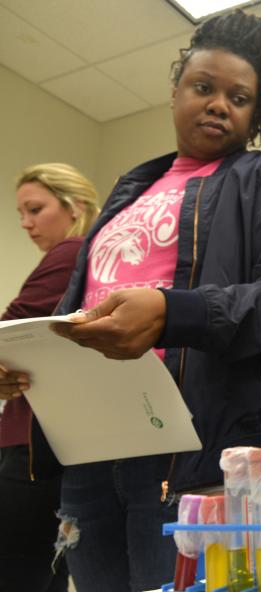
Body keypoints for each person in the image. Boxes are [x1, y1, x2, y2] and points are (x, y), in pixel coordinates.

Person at [2, 11, 261, 592]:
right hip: (91, 451)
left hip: (198, 457)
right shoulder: (130, 189)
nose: (219, 104)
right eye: (203, 88)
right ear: (175, 93)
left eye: (239, 97)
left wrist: (173, 312)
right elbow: (81, 311)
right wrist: (26, 368)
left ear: (257, 112)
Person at [0, 163, 99, 592]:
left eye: (35, 209)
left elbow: (9, 330)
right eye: (21, 213)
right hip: (63, 444)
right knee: (48, 575)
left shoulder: (70, 251)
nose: (26, 223)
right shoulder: (91, 258)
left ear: (75, 206)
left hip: (29, 448)